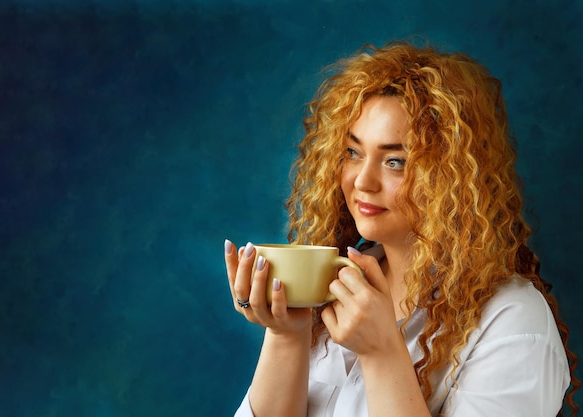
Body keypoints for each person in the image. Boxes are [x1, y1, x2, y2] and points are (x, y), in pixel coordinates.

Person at [223, 41, 579, 417]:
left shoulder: (513, 321)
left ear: (451, 178)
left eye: (395, 161)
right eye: (353, 152)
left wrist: (381, 353)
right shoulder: (327, 286)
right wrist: (287, 334)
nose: (363, 181)